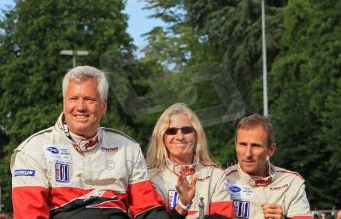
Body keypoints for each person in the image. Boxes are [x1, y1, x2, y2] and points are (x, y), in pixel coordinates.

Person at [10, 66, 178, 219]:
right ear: (64, 103)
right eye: (73, 99)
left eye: (89, 99)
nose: (80, 107)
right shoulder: (33, 150)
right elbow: (29, 215)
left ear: (104, 106)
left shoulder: (128, 148)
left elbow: (146, 208)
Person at [146, 103, 234, 218]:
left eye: (186, 130)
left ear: (197, 135)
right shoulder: (149, 178)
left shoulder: (216, 175)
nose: (180, 137)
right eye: (172, 131)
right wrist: (182, 205)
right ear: (162, 137)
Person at [225, 113, 312, 219]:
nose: (248, 154)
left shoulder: (291, 183)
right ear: (236, 146)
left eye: (255, 146)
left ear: (271, 149)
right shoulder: (220, 181)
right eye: (243, 144)